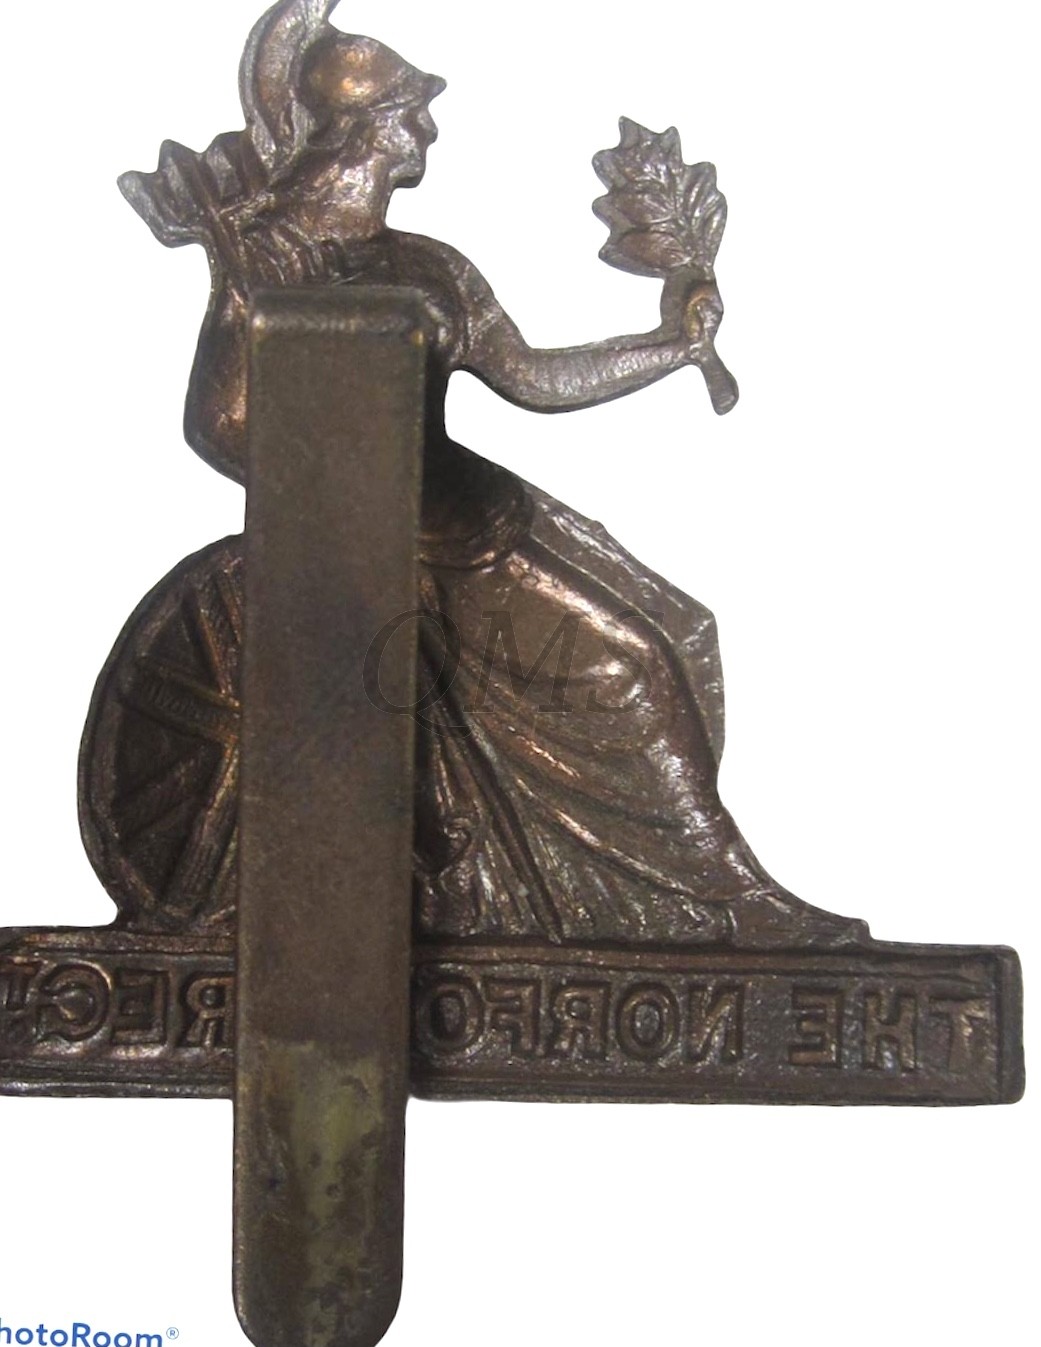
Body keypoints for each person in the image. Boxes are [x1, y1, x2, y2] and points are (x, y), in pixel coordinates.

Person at [118, 0, 865, 948]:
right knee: (628, 669)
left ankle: (678, 904)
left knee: (680, 631)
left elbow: (533, 378)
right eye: (410, 111)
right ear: (359, 129)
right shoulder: (262, 255)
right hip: (386, 552)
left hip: (475, 517)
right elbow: (219, 422)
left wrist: (670, 346)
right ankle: (727, 899)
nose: (426, 129)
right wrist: (338, 514)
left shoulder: (429, 264)